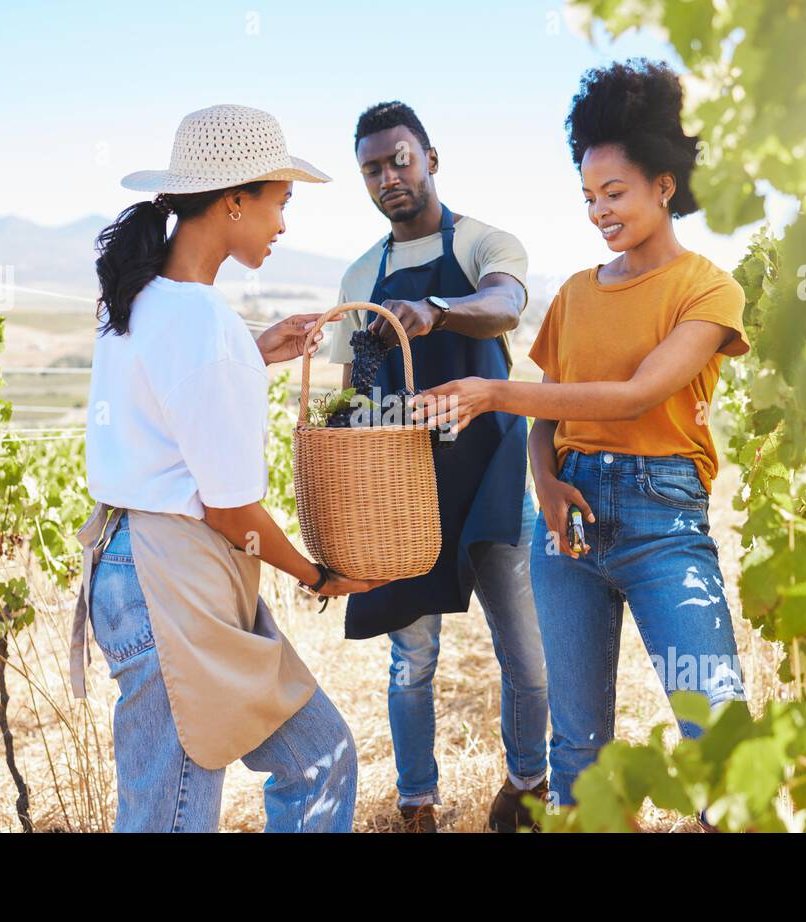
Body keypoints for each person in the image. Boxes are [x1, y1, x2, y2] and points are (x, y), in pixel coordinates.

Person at [412, 60, 750, 817]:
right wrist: (545, 482)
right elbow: (550, 418)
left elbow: (634, 397)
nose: (599, 211)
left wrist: (494, 389)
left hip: (664, 522)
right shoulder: (574, 292)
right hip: (568, 528)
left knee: (718, 736)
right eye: (589, 197)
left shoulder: (708, 289)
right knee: (578, 750)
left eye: (616, 193)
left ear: (665, 185)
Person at [69, 104, 386, 832]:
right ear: (234, 200)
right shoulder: (204, 324)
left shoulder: (140, 297)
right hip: (171, 578)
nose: (283, 225)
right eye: (280, 203)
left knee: (318, 759)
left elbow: (175, 391)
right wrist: (318, 575)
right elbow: (230, 511)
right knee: (174, 817)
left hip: (143, 569)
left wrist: (255, 351)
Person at [325, 101, 548, 833]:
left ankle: (526, 786)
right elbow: (359, 390)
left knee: (528, 656)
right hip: (406, 492)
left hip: (493, 475)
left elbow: (506, 306)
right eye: (372, 169)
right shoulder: (363, 274)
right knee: (411, 663)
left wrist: (438, 311)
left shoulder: (487, 242)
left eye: (400, 160)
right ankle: (417, 801)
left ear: (431, 159)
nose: (388, 177)